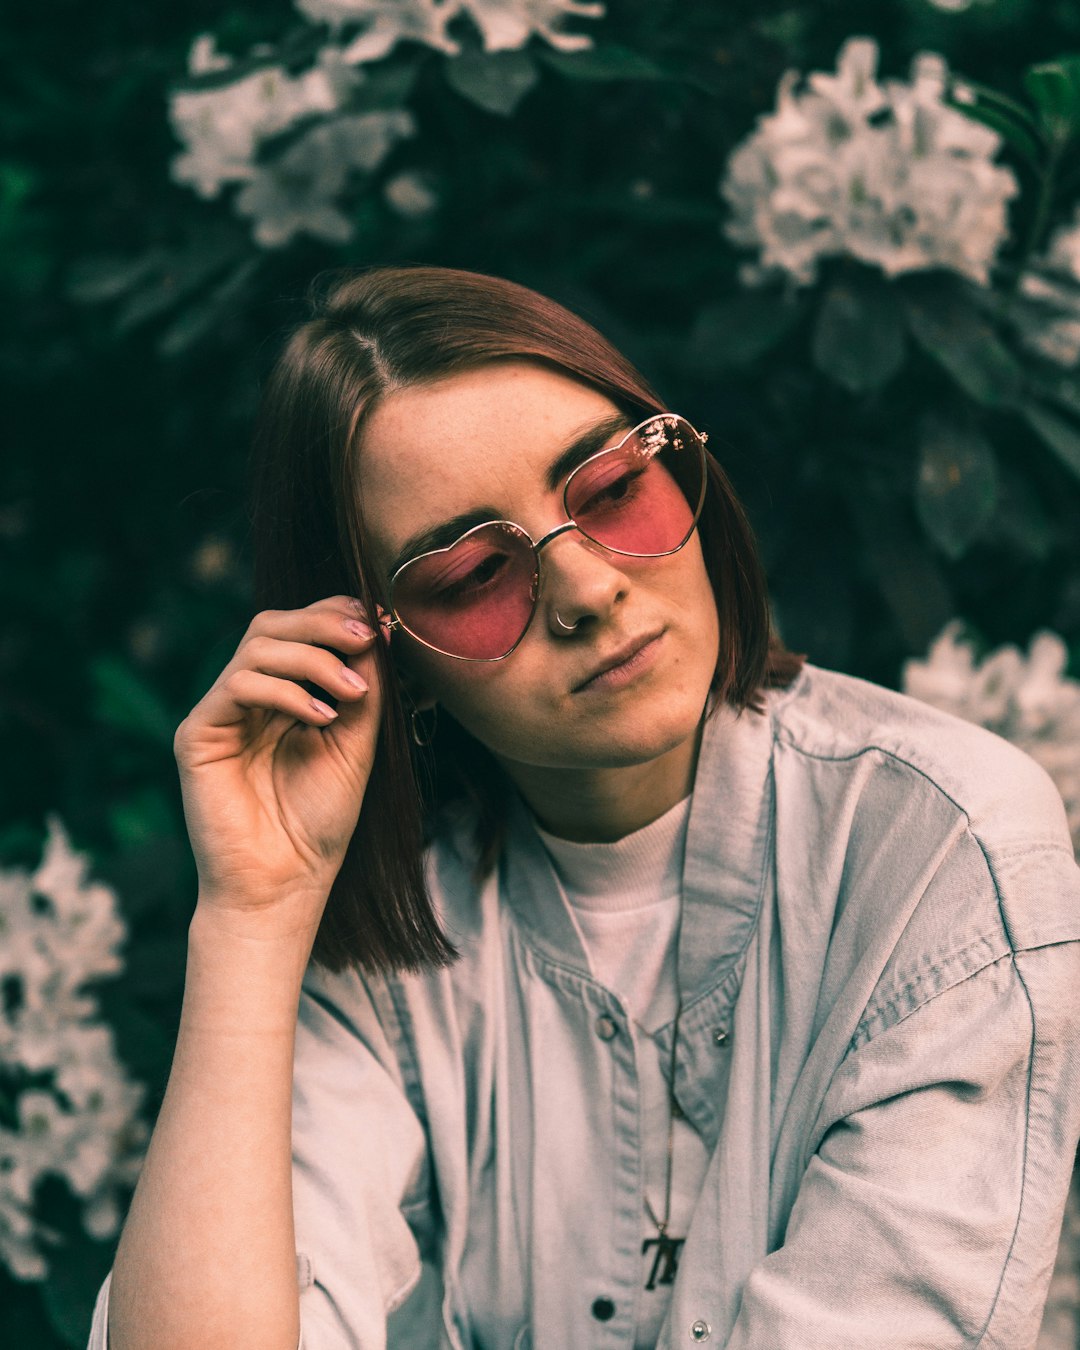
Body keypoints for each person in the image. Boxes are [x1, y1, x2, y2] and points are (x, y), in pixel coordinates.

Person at [88, 266, 1080, 1350]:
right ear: (387, 653)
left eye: (612, 490)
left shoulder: (938, 848)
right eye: (473, 575)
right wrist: (249, 919)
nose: (590, 588)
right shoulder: (371, 951)